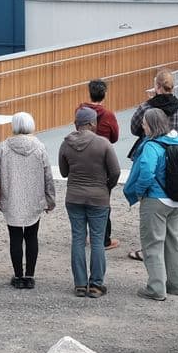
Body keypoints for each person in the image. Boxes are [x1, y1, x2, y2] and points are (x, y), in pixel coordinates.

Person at [57, 105, 120, 298]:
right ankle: (96, 284)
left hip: (74, 196)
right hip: (98, 197)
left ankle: (80, 284)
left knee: (77, 239)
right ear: (92, 124)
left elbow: (64, 172)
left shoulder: (66, 144)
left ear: (77, 124)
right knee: (97, 241)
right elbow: (115, 171)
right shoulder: (103, 144)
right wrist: (106, 185)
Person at [124, 107, 178, 302]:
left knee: (153, 243)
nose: (142, 127)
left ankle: (156, 288)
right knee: (174, 242)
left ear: (150, 125)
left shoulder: (151, 146)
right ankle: (176, 284)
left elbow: (147, 173)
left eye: (144, 124)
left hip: (156, 199)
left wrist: (140, 192)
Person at [0, 112, 55, 289]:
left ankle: (18, 275)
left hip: (11, 198)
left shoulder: (4, 147)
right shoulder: (39, 147)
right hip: (33, 199)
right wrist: (50, 199)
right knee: (31, 237)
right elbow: (47, 176)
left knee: (15, 237)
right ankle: (30, 275)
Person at [129, 70, 178, 156]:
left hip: (150, 152)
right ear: (172, 87)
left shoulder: (145, 107)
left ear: (157, 86)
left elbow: (134, 130)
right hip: (174, 154)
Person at [77, 80, 119, 145]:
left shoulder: (80, 110)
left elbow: (78, 128)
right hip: (103, 149)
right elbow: (114, 138)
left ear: (90, 94)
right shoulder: (109, 115)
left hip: (83, 147)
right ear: (105, 94)